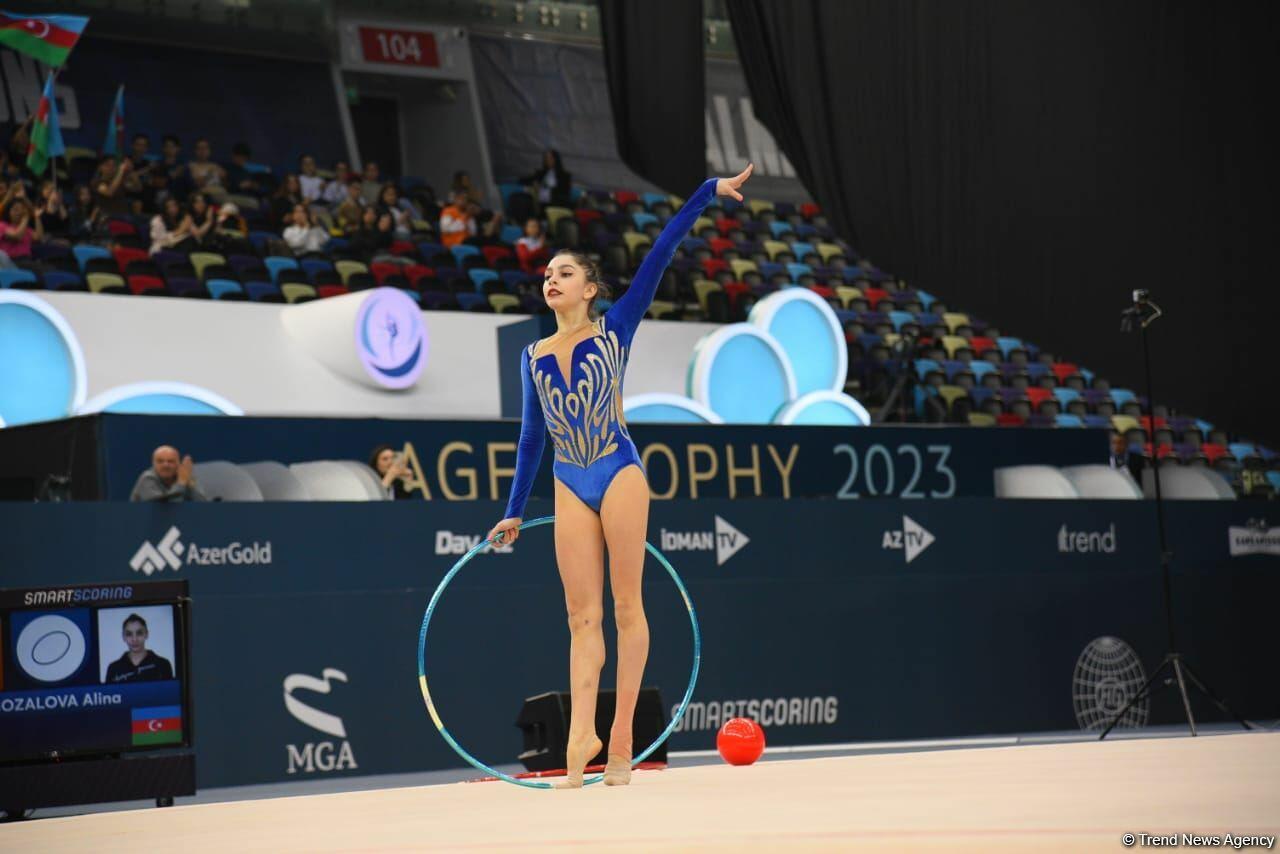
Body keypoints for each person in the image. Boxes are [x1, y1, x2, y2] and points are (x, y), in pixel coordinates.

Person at [486, 164, 755, 788]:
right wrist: (514, 509)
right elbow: (531, 438)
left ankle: (624, 736)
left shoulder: (616, 327)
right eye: (547, 274)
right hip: (569, 481)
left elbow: (661, 252)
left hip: (618, 469)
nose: (551, 279)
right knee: (581, 617)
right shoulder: (532, 356)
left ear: (591, 289)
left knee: (626, 605)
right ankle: (581, 733)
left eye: (564, 273)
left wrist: (705, 192)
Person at [104, 613, 174, 683]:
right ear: (123, 637)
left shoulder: (163, 665)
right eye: (129, 634)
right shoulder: (113, 669)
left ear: (146, 634)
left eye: (139, 633)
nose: (134, 639)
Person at [130, 445, 208, 502]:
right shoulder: (147, 478)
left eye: (171, 461)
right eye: (160, 461)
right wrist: (181, 483)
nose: (166, 465)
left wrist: (189, 483)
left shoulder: (184, 476)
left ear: (178, 464)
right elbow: (166, 511)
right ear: (153, 464)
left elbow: (204, 505)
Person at [0, 198, 41, 267]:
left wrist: (37, 217)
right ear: (8, 211)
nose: (19, 212)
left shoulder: (25, 228)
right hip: (10, 261)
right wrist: (26, 218)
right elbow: (17, 236)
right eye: (15, 209)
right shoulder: (2, 225)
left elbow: (38, 237)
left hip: (26, 260)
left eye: (22, 209)